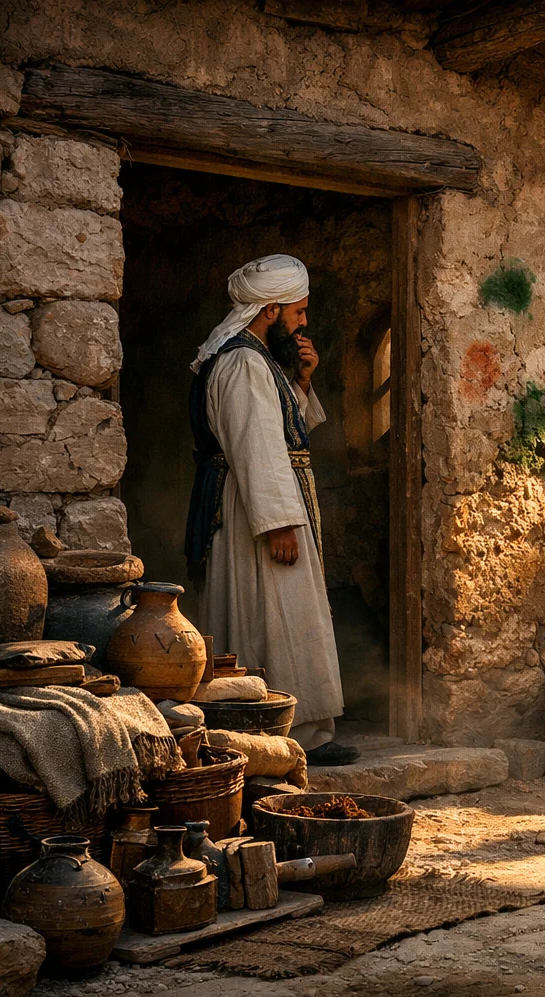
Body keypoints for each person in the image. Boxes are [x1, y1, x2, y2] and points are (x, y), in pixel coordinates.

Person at [185, 254, 357, 767]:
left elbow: (284, 428)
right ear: (270, 310)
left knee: (283, 612)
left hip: (264, 505)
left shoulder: (261, 361)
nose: (304, 322)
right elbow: (257, 446)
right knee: (272, 613)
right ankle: (284, 734)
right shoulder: (242, 362)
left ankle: (295, 730)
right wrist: (278, 523)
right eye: (298, 312)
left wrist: (302, 380)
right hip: (253, 513)